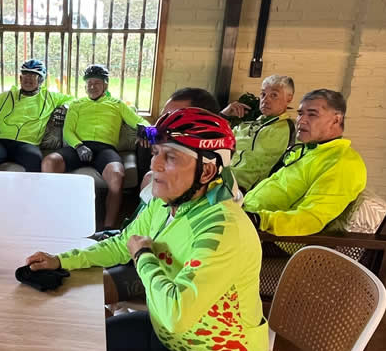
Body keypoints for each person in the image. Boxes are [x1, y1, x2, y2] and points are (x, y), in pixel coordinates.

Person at [25, 108, 267, 351]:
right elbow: (123, 243)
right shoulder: (166, 202)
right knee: (87, 341)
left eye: (170, 157)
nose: (154, 165)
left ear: (207, 170)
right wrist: (62, 260)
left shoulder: (223, 228)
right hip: (170, 335)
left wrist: (144, 258)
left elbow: (174, 313)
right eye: (156, 153)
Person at [108, 87, 223, 306]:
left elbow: (179, 306)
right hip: (137, 246)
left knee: (88, 289)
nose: (164, 126)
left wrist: (141, 255)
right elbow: (133, 235)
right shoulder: (168, 184)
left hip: (158, 270)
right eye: (163, 119)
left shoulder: (218, 214)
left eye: (175, 119)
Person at [243, 88, 367, 236]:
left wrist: (258, 220)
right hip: (247, 215)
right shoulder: (311, 149)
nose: (301, 120)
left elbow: (310, 219)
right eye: (300, 113)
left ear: (336, 119)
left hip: (270, 236)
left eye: (312, 114)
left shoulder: (343, 162)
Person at [42, 64, 148, 228]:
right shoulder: (76, 104)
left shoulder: (117, 104)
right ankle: (55, 217)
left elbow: (140, 122)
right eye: (89, 83)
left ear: (105, 85)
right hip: (78, 147)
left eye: (97, 83)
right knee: (49, 162)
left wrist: (147, 131)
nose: (92, 87)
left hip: (105, 149)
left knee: (117, 174)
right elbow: (68, 131)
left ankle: (108, 228)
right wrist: (79, 146)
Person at [0, 58, 70, 172]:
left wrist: (65, 107)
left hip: (27, 143)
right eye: (25, 74)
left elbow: (74, 100)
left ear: (41, 80)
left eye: (33, 75)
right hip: (0, 141)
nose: (28, 78)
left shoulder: (50, 97)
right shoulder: (5, 96)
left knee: (34, 159)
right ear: (20, 78)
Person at [221, 74, 296, 190]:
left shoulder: (289, 129)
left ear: (289, 98)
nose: (265, 99)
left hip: (244, 191)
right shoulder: (247, 125)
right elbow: (215, 143)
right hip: (221, 183)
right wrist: (223, 116)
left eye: (274, 95)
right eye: (263, 94)